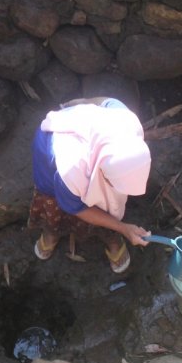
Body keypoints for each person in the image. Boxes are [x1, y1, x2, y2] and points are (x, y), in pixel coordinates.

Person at [28, 96, 151, 273]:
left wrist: (76, 102)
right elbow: (80, 209)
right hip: (51, 155)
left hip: (84, 144)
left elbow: (106, 101)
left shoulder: (127, 122)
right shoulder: (71, 170)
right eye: (113, 184)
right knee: (54, 206)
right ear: (101, 170)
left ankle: (111, 238)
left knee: (109, 202)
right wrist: (124, 228)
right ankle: (51, 234)